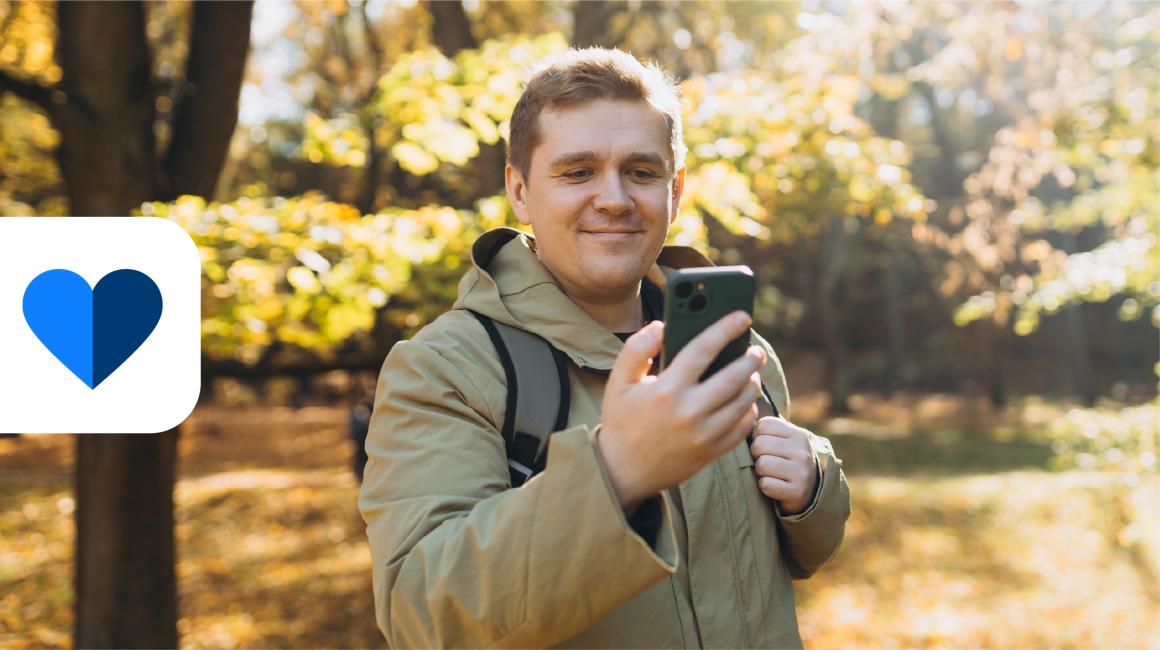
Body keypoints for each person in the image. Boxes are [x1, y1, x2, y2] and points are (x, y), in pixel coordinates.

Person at [359, 47, 850, 648]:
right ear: (520, 190)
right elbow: (422, 613)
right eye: (578, 171)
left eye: (642, 172)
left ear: (675, 192)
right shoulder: (443, 369)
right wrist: (616, 473)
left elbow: (796, 557)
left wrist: (814, 485)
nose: (615, 198)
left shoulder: (731, 348)